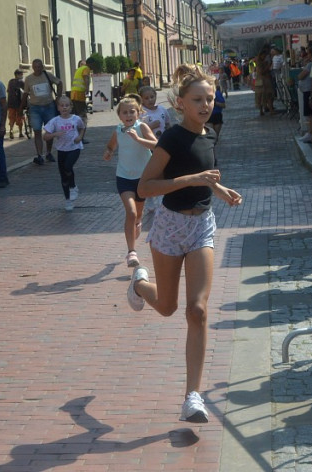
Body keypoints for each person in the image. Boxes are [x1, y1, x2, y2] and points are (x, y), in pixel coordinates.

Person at [129, 64, 242, 424]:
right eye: (198, 99)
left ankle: (192, 396)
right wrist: (190, 178)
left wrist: (219, 189)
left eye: (210, 98)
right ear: (180, 103)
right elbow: (145, 188)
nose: (206, 104)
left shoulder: (210, 134)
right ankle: (139, 284)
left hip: (202, 227)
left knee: (198, 310)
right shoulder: (172, 139)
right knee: (166, 306)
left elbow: (207, 173)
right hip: (169, 226)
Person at [103, 94, 157, 267]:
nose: (128, 115)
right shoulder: (118, 130)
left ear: (139, 113)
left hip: (143, 178)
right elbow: (111, 146)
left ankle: (138, 223)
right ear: (120, 116)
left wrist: (138, 139)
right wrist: (109, 153)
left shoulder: (142, 128)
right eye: (124, 112)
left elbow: (156, 145)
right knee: (131, 212)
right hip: (124, 177)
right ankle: (131, 252)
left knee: (138, 215)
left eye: (132, 112)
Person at [41, 95, 85, 211]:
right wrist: (55, 134)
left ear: (71, 107)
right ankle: (68, 200)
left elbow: (82, 127)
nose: (64, 108)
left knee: (68, 166)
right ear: (58, 108)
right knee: (63, 176)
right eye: (62, 105)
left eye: (67, 105)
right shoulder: (55, 121)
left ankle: (73, 187)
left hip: (74, 148)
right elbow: (45, 137)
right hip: (61, 150)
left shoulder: (76, 119)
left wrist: (80, 137)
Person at [23, 58, 62, 165]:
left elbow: (59, 83)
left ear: (42, 67)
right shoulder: (29, 79)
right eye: (35, 67)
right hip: (35, 108)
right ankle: (39, 155)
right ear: (32, 67)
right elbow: (26, 93)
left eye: (39, 67)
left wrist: (58, 97)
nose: (37, 69)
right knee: (37, 131)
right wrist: (22, 105)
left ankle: (48, 152)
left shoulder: (47, 75)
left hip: (49, 106)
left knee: (49, 131)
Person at [6, 69, 25, 139]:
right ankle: (20, 132)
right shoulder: (22, 82)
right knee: (20, 118)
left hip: (10, 103)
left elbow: (8, 91)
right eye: (21, 74)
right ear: (17, 75)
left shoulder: (10, 81)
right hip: (19, 103)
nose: (22, 76)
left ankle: (11, 131)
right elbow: (25, 92)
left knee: (11, 118)